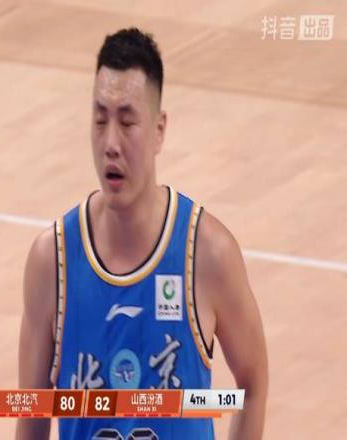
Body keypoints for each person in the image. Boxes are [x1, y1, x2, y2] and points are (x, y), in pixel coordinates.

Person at [16, 27, 268, 440]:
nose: (110, 143)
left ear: (159, 129)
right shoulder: (52, 261)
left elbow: (253, 382)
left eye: (127, 122)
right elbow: (32, 415)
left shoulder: (208, 254)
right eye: (100, 121)